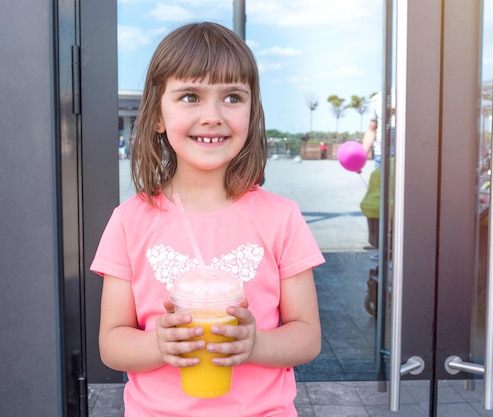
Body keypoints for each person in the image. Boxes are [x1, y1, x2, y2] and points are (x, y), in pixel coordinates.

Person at [90, 22, 324, 417]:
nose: (213, 115)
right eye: (190, 97)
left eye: (233, 97)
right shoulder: (129, 221)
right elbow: (112, 344)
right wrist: (157, 346)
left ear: (252, 111)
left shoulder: (281, 217)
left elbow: (308, 336)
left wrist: (255, 344)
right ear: (158, 115)